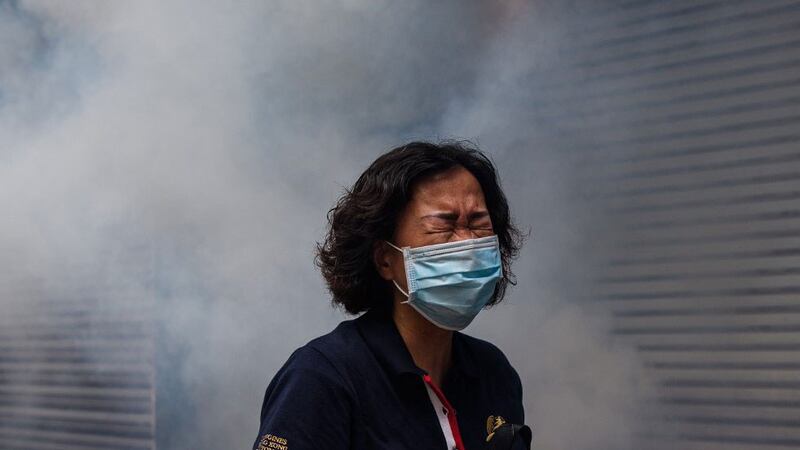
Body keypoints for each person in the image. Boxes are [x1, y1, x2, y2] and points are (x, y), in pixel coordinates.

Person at [253, 141, 527, 450]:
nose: (466, 243)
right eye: (443, 225)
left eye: (479, 224)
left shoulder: (493, 372)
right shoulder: (323, 377)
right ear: (385, 258)